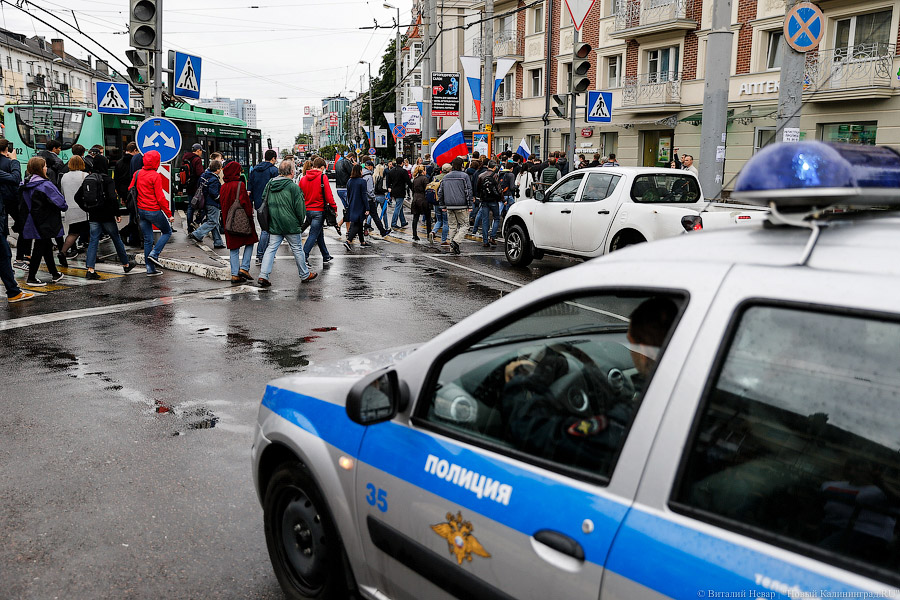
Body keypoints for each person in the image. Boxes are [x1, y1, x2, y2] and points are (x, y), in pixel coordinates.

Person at [500, 296, 678, 472]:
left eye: (632, 345)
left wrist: (522, 381)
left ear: (645, 350)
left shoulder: (626, 425)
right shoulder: (678, 397)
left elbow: (533, 431)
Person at [257, 159, 317, 287]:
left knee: (271, 248)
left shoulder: (270, 184)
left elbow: (263, 199)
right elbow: (300, 209)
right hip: (291, 224)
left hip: (275, 222)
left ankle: (263, 275)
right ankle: (304, 274)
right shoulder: (293, 187)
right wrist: (299, 222)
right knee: (297, 249)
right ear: (291, 171)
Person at [82, 158, 137, 280]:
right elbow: (112, 198)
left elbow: (78, 196)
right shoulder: (107, 179)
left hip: (93, 215)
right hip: (106, 216)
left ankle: (90, 270)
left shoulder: (88, 179)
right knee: (116, 238)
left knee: (93, 240)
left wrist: (87, 208)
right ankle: (126, 264)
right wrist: (117, 213)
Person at [20, 157, 67, 286]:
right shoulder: (45, 185)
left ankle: (55, 273)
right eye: (45, 166)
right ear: (41, 169)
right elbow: (61, 203)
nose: (46, 168)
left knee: (46, 246)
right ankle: (32, 277)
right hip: (45, 221)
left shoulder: (25, 183)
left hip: (31, 220)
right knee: (39, 248)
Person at [129, 150, 173, 276]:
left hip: (141, 211)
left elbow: (130, 188)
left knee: (148, 239)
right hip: (153, 210)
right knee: (167, 231)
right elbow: (160, 198)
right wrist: (169, 214)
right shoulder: (155, 176)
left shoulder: (137, 173)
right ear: (156, 162)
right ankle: (155, 254)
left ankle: (150, 269)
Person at [0, 140, 32, 302]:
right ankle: (13, 291)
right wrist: (14, 160)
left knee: (4, 253)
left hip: (3, 212)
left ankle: (13, 291)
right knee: (4, 254)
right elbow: (15, 178)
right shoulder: (8, 162)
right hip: (6, 209)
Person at [219, 161, 258, 283]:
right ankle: (245, 268)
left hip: (228, 221)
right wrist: (250, 217)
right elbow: (245, 203)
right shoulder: (240, 185)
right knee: (250, 241)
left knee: (233, 248)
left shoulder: (223, 187)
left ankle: (235, 274)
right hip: (242, 220)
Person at [298, 156, 337, 264]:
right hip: (319, 210)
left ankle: (326, 255)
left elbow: (300, 195)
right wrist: (334, 207)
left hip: (307, 210)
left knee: (319, 234)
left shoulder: (303, 178)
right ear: (322, 167)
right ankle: (304, 256)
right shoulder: (322, 177)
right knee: (314, 234)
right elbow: (328, 195)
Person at [58, 156, 89, 266]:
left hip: (69, 208)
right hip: (83, 209)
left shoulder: (64, 177)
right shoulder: (84, 175)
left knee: (73, 232)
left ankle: (62, 252)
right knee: (90, 233)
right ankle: (92, 256)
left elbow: (62, 192)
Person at [249, 149, 279, 265]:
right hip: (270, 203)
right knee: (267, 230)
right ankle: (261, 255)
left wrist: (251, 203)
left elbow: (250, 188)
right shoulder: (274, 170)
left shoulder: (254, 170)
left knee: (265, 229)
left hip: (258, 204)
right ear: (273, 159)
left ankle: (266, 254)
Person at [438, 157, 473, 256]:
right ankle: (456, 242)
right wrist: (470, 204)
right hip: (461, 204)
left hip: (449, 205)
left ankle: (452, 248)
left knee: (452, 226)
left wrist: (442, 205)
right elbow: (468, 191)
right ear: (462, 165)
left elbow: (440, 192)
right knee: (465, 225)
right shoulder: (464, 176)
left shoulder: (446, 177)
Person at [189, 160, 225, 249]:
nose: (221, 170)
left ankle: (218, 242)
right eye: (220, 168)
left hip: (204, 202)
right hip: (212, 203)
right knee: (212, 222)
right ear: (217, 169)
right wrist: (219, 199)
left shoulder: (204, 176)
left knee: (215, 223)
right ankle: (197, 233)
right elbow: (214, 193)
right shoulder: (214, 180)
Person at [117, 142, 142, 248]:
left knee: (133, 216)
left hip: (125, 193)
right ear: (135, 150)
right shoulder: (135, 161)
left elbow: (117, 180)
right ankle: (127, 234)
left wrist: (122, 196)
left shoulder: (119, 162)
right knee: (137, 217)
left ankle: (132, 238)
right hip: (134, 191)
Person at [342, 164, 370, 251]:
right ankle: (348, 241)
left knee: (358, 223)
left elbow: (348, 194)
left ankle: (362, 241)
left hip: (352, 204)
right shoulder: (362, 181)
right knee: (357, 224)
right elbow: (364, 195)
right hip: (360, 205)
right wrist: (367, 207)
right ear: (359, 171)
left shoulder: (350, 181)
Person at [361, 160, 391, 238]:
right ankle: (383, 231)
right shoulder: (369, 176)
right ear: (370, 167)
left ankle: (364, 229)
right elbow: (370, 190)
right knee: (375, 215)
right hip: (370, 199)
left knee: (364, 215)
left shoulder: (362, 174)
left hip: (362, 199)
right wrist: (373, 198)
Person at [476, 161, 502, 247]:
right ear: (494, 167)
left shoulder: (481, 175)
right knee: (496, 218)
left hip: (484, 200)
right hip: (494, 200)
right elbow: (499, 189)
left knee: (485, 220)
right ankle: (493, 237)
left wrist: (480, 197)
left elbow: (478, 188)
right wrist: (502, 199)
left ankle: (485, 240)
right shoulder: (495, 176)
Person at [182, 143, 204, 232]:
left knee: (190, 207)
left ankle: (189, 227)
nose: (201, 153)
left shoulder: (185, 158)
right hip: (196, 186)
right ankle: (196, 222)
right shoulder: (197, 159)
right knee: (202, 206)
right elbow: (199, 173)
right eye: (201, 151)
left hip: (188, 185)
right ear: (198, 150)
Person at [428, 163, 451, 246]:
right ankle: (443, 240)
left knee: (439, 220)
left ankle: (433, 232)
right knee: (445, 222)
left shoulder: (436, 177)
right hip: (444, 202)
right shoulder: (447, 178)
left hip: (436, 201)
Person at [386, 157, 410, 229]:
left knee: (400, 207)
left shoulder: (391, 171)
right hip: (401, 191)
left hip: (393, 191)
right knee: (398, 207)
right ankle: (393, 223)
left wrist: (389, 188)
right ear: (402, 163)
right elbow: (408, 182)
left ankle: (403, 221)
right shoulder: (403, 171)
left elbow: (388, 182)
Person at [409, 165, 430, 241]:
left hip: (415, 199)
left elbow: (413, 190)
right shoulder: (425, 179)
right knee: (428, 217)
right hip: (423, 199)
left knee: (415, 218)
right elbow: (427, 190)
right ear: (423, 171)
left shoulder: (415, 179)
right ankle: (428, 234)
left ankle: (415, 234)